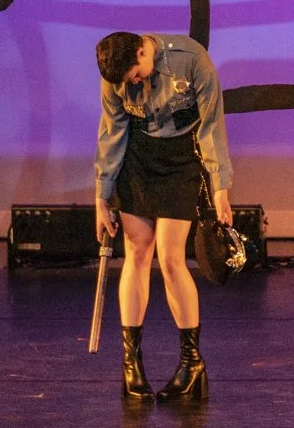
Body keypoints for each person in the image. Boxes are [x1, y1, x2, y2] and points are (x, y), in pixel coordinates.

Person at [93, 31, 233, 402]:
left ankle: (191, 363)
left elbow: (211, 126)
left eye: (136, 73)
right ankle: (131, 363)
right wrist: (101, 196)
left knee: (171, 259)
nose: (134, 82)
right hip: (137, 161)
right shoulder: (115, 76)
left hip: (180, 161)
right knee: (137, 253)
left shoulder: (192, 60)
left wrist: (220, 188)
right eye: (127, 82)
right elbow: (112, 132)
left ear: (143, 50)